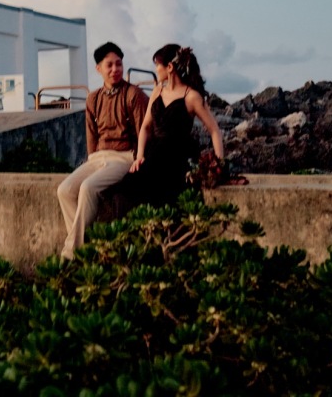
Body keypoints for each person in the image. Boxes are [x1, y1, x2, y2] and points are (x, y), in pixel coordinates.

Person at [57, 41, 148, 258]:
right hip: (98, 157)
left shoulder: (134, 95)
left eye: (119, 64)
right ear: (99, 69)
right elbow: (91, 135)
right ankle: (84, 247)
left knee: (89, 187)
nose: (115, 69)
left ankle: (71, 253)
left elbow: (144, 130)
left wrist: (140, 158)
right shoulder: (93, 98)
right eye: (109, 65)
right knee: (65, 190)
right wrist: (91, 160)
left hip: (124, 158)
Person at [118, 43, 224, 210]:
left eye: (157, 65)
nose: (156, 69)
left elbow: (214, 130)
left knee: (164, 200)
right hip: (154, 154)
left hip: (177, 158)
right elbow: (145, 127)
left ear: (169, 67)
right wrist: (139, 156)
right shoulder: (157, 91)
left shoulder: (192, 96)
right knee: (125, 189)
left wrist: (219, 165)